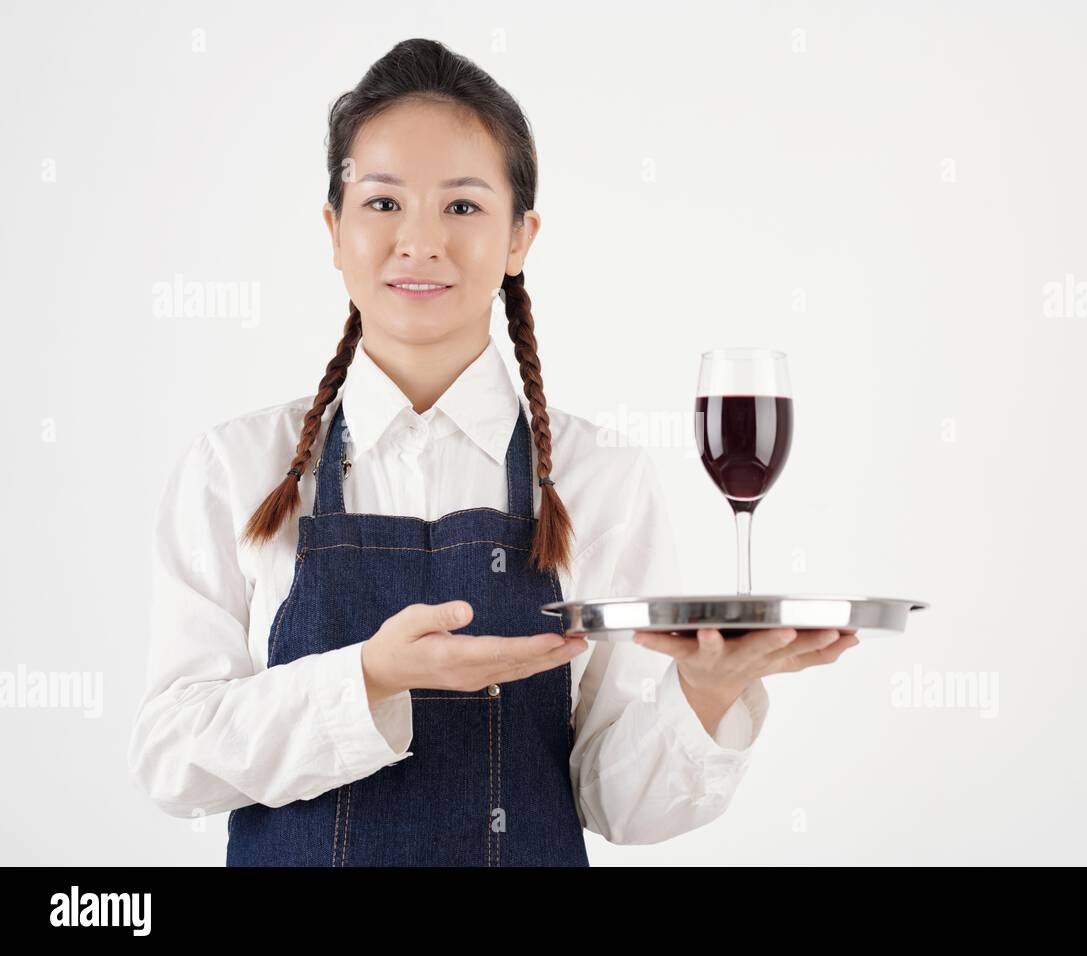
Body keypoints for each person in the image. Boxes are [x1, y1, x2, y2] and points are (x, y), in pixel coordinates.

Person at [127, 38, 860, 867]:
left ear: (520, 237)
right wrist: (366, 678)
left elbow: (614, 802)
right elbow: (172, 758)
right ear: (334, 230)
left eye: (464, 207)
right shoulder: (235, 469)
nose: (420, 240)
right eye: (382, 203)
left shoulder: (600, 478)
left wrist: (707, 691)